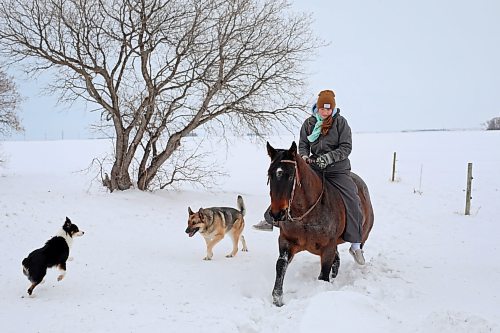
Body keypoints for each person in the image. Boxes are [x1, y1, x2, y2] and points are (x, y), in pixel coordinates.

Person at [253, 89, 366, 265]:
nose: (325, 112)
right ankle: (272, 218)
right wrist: (304, 157)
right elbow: (303, 145)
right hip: (314, 167)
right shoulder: (309, 123)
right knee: (290, 187)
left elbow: (346, 147)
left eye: (328, 109)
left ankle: (356, 244)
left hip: (337, 170)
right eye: (322, 108)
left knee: (352, 198)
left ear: (333, 109)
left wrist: (328, 158)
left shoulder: (341, 123)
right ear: (317, 107)